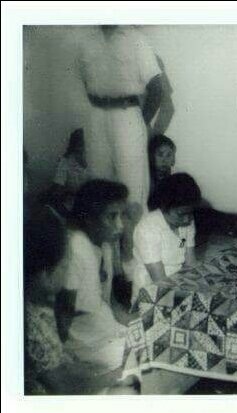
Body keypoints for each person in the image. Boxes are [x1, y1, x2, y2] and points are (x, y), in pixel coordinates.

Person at [24, 204, 137, 395]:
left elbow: (59, 363)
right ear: (45, 275)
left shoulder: (38, 307)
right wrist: (118, 375)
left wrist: (92, 371)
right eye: (65, 265)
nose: (68, 271)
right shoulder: (34, 326)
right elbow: (63, 387)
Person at [77, 25, 163, 212]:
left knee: (132, 184)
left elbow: (157, 89)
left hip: (126, 116)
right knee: (98, 183)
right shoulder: (87, 41)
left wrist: (140, 122)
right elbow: (85, 80)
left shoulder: (135, 39)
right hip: (96, 116)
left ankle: (134, 230)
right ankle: (106, 231)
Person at [57, 179, 132, 375]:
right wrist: (66, 363)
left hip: (107, 331)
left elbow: (111, 303)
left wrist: (137, 324)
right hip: (85, 345)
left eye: (122, 215)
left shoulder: (105, 245)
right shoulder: (76, 247)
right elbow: (63, 315)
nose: (120, 225)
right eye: (112, 216)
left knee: (158, 340)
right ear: (89, 218)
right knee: (147, 357)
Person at [131, 173, 201, 305]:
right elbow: (160, 281)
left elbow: (191, 263)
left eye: (190, 213)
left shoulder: (187, 223)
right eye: (181, 214)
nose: (187, 219)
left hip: (179, 282)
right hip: (152, 289)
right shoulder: (148, 229)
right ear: (164, 207)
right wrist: (191, 294)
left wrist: (198, 286)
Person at [50, 128, 90, 214]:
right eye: (79, 144)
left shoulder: (92, 161)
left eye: (83, 144)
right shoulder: (65, 162)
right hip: (72, 204)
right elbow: (57, 188)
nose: (82, 147)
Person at [147, 134, 176, 211]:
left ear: (173, 160)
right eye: (160, 155)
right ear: (151, 157)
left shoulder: (174, 181)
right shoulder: (147, 179)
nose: (164, 160)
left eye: (168, 155)